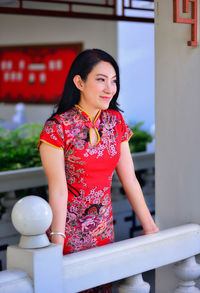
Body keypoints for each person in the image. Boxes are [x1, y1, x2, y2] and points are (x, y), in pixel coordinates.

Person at [39, 48, 158, 292]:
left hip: (103, 230)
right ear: (79, 82)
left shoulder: (115, 122)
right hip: (67, 232)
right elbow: (59, 190)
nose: (110, 88)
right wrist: (57, 244)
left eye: (114, 81)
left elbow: (130, 180)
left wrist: (150, 227)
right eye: (101, 80)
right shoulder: (57, 128)